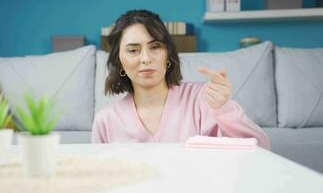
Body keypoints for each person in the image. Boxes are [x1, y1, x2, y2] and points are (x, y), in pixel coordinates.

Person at [92, 9, 270, 150]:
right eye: (133, 50)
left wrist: (224, 109)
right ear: (119, 61)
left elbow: (261, 149)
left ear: (168, 55)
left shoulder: (203, 99)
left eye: (155, 47)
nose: (145, 58)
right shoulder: (106, 121)